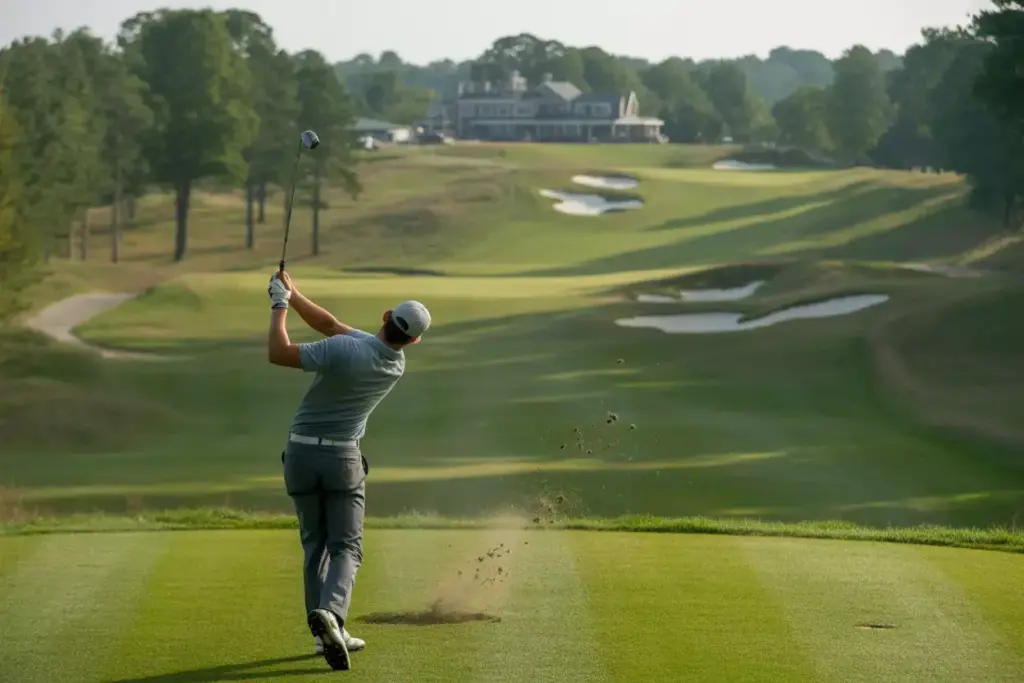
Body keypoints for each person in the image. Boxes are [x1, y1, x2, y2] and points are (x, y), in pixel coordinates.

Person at [266, 270, 431, 671]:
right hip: (342, 461)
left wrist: (278, 307)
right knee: (347, 547)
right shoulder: (394, 363)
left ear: (386, 316)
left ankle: (325, 637)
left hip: (300, 454)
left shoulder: (342, 350)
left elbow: (279, 352)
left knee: (314, 546)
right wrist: (294, 293)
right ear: (413, 340)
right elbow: (329, 323)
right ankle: (333, 619)